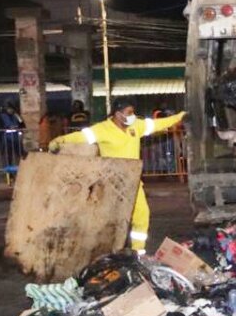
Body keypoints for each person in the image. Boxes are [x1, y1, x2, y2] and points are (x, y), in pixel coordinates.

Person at [49, 100, 187, 253]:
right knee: (109, 220)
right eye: (129, 113)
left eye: (133, 112)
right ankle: (100, 251)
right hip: (112, 183)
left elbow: (157, 124)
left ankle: (138, 253)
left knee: (141, 216)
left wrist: (180, 117)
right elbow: (80, 137)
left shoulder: (136, 127)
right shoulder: (102, 130)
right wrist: (59, 141)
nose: (132, 116)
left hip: (133, 182)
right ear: (118, 114)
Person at [0, 101, 26, 167]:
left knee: (21, 155)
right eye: (9, 108)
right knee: (8, 156)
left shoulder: (16, 116)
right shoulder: (2, 116)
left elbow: (22, 125)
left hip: (16, 139)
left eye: (12, 109)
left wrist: (19, 118)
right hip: (7, 139)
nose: (11, 110)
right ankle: (9, 173)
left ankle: (23, 168)